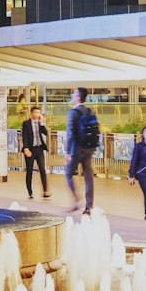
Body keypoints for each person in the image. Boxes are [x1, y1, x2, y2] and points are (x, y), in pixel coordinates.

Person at [64, 86, 98, 214]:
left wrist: (68, 152)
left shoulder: (73, 113)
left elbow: (70, 133)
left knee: (68, 174)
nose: (72, 95)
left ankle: (76, 200)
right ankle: (89, 206)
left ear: (78, 97)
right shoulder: (90, 111)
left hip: (76, 150)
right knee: (88, 176)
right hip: (89, 149)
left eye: (74, 94)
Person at [21, 106, 51, 200]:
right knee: (29, 171)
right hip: (30, 150)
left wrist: (42, 123)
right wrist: (25, 148)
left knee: (42, 169)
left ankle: (45, 191)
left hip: (39, 149)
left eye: (39, 113)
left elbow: (46, 133)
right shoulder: (26, 124)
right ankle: (30, 192)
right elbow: (24, 136)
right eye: (36, 112)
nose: (37, 114)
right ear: (31, 113)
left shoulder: (40, 124)